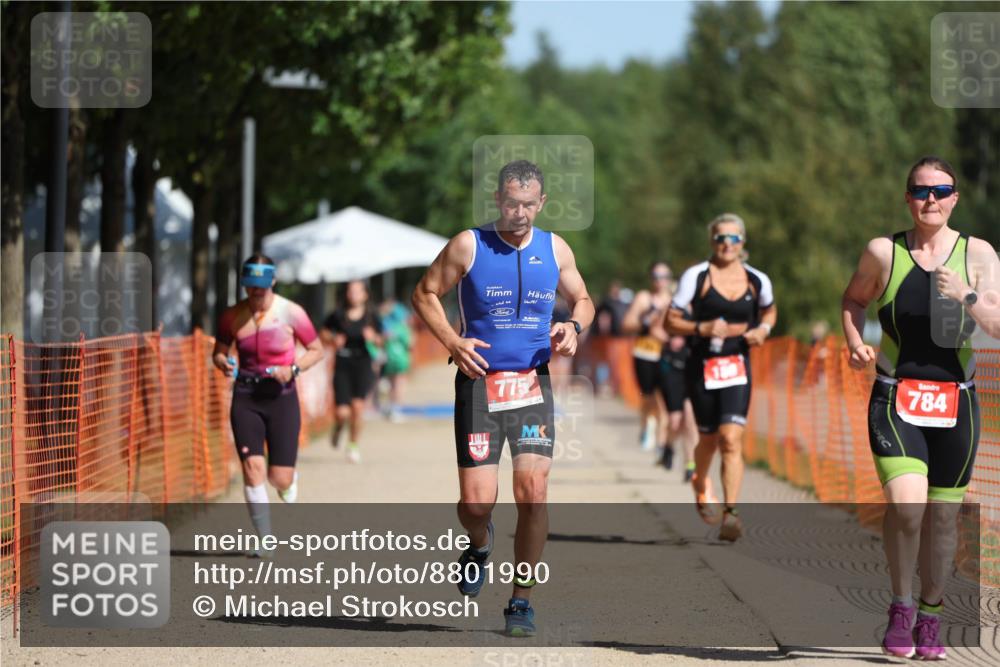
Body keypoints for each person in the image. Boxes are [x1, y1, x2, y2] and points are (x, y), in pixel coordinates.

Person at [412, 159, 594, 637]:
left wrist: (573, 327)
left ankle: (521, 601)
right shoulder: (469, 244)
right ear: (498, 200)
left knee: (533, 494)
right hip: (479, 383)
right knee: (476, 503)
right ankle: (478, 543)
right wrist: (453, 342)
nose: (520, 213)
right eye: (511, 203)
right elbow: (425, 293)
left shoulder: (555, 248)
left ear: (542, 203)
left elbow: (584, 300)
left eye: (529, 205)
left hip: (532, 382)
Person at [841, 156, 999, 659]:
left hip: (958, 404)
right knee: (908, 508)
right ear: (906, 198)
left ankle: (932, 614)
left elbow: (996, 326)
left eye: (940, 190)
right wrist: (854, 343)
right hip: (896, 396)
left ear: (954, 198)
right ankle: (902, 606)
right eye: (920, 191)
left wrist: (968, 294)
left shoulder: (978, 254)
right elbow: (852, 301)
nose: (930, 199)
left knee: (944, 519)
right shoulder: (883, 252)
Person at [666, 213, 776, 541]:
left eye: (733, 239)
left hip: (737, 366)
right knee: (710, 439)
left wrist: (764, 329)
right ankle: (700, 480)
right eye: (720, 239)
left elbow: (770, 309)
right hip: (701, 366)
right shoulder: (696, 277)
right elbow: (669, 321)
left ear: (742, 242)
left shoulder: (757, 279)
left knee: (731, 439)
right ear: (711, 241)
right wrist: (700, 326)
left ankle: (731, 512)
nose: (726, 245)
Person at [212, 255, 324, 551]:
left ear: (273, 281)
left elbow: (317, 350)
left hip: (281, 397)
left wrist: (294, 368)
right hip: (246, 396)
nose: (256, 293)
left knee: (279, 478)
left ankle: (288, 481)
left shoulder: (291, 312)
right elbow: (218, 352)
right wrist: (223, 362)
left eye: (261, 287)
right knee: (251, 468)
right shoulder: (232, 316)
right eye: (251, 287)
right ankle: (265, 539)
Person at [322, 280, 383, 463]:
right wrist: (333, 339)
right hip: (343, 362)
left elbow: (382, 340)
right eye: (350, 291)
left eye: (357, 291)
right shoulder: (338, 314)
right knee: (342, 412)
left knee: (357, 407)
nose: (353, 295)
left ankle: (353, 445)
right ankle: (339, 428)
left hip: (363, 362)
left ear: (365, 295)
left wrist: (373, 338)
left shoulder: (371, 315)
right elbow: (323, 333)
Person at [623, 263, 673, 454]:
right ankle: (647, 425)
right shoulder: (644, 298)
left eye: (664, 276)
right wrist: (646, 322)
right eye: (655, 276)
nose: (659, 280)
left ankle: (661, 439)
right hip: (644, 353)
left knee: (664, 397)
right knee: (648, 396)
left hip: (665, 354)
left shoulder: (674, 300)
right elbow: (627, 324)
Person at [378, 297, 414, 422]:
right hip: (401, 360)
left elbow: (381, 342)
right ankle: (396, 409)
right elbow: (410, 345)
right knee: (399, 385)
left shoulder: (386, 327)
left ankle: (389, 404)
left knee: (391, 383)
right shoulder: (403, 329)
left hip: (388, 359)